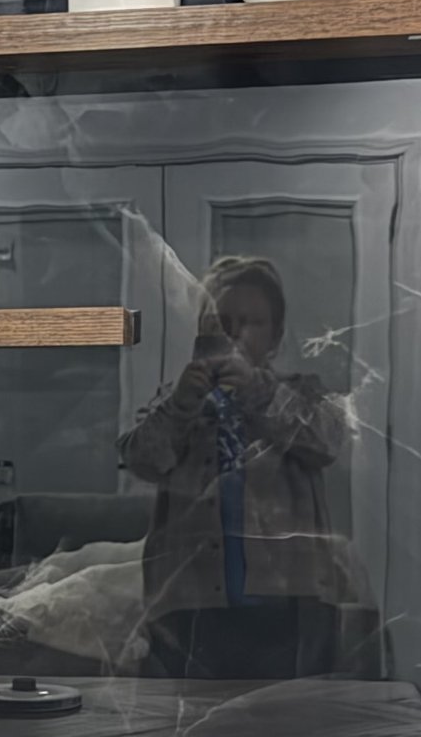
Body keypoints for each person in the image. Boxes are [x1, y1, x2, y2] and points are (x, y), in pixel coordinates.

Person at [120, 255, 381, 678]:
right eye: (222, 321)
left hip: (288, 602)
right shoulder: (178, 399)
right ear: (203, 331)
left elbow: (327, 442)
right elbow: (141, 460)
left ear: (275, 336)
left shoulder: (301, 394)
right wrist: (183, 403)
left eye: (251, 321)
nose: (236, 333)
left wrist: (257, 389)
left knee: (280, 727)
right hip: (189, 601)